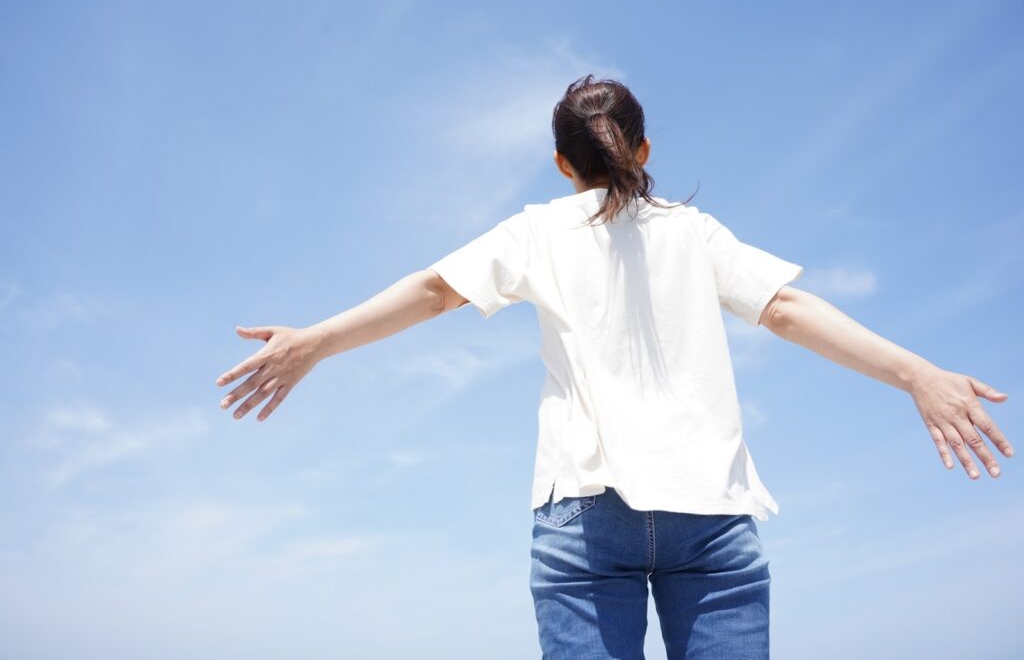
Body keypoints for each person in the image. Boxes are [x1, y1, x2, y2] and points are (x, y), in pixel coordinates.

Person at [214, 74, 1013, 659]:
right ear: (643, 149)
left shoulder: (536, 231)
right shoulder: (694, 233)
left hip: (585, 518)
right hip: (711, 513)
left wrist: (315, 340)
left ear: (562, 164)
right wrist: (917, 373)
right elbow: (788, 310)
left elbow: (433, 292)